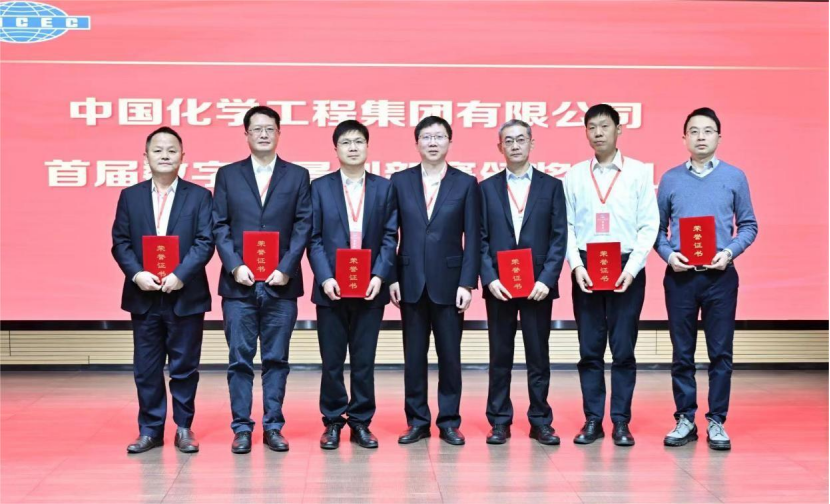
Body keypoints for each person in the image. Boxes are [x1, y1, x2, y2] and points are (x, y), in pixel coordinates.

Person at [656, 107, 758, 451]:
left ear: (719, 137)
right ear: (684, 137)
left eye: (708, 131)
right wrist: (669, 255)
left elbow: (749, 225)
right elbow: (656, 229)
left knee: (720, 353)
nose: (701, 137)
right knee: (682, 353)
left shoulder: (735, 177)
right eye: (694, 131)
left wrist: (729, 252)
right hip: (680, 278)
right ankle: (685, 419)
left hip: (720, 277)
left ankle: (717, 420)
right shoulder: (670, 179)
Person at [212, 106, 312, 453]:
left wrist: (286, 267)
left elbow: (303, 225)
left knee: (276, 359)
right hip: (238, 285)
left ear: (279, 133)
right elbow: (219, 225)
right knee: (239, 360)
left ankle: (273, 426)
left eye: (270, 128)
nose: (264, 134)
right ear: (246, 135)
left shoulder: (297, 176)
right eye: (257, 129)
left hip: (281, 284)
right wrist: (234, 265)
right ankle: (241, 427)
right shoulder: (228, 175)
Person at [112, 126, 214, 454]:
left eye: (172, 150)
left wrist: (181, 275)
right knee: (147, 368)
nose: (165, 155)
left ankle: (184, 428)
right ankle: (150, 430)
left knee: (185, 367)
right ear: (146, 157)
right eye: (158, 150)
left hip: (185, 294)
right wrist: (136, 274)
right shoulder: (130, 196)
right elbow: (120, 242)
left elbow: (205, 241)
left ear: (183, 156)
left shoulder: (199, 196)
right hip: (144, 295)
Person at [564, 104, 659, 446]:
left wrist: (632, 269)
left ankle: (620, 421)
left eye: (604, 126)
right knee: (589, 349)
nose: (598, 133)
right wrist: (576, 266)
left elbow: (649, 224)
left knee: (623, 350)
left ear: (619, 130)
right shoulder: (574, 175)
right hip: (587, 268)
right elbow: (567, 226)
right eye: (592, 127)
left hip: (626, 268)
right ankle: (593, 420)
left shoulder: (638, 172)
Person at [390, 116, 481, 446]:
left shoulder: (466, 183)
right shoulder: (399, 181)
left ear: (449, 142)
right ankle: (417, 421)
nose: (432, 142)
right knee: (413, 358)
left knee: (449, 357)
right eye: (426, 137)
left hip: (450, 283)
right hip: (410, 281)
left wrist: (467, 283)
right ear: (417, 143)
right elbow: (389, 233)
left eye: (439, 137)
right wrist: (391, 278)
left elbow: (474, 237)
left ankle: (449, 421)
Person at [307, 120, 398, 450]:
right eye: (346, 142)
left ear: (367, 147)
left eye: (359, 141)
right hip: (331, 288)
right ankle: (333, 420)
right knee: (332, 361)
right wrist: (326, 277)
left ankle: (360, 421)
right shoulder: (319, 187)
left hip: (370, 288)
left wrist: (379, 276)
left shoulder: (384, 188)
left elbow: (390, 237)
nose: (353, 147)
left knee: (364, 360)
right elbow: (314, 238)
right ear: (336, 149)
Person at [479, 119, 567, 445]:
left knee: (538, 356)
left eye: (520, 139)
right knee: (499, 357)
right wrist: (489, 278)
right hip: (500, 288)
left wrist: (547, 279)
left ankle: (540, 421)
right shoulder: (486, 188)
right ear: (499, 147)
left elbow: (559, 237)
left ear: (532, 143)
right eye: (508, 141)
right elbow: (479, 238)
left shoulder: (551, 186)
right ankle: (499, 421)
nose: (515, 146)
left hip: (537, 288)